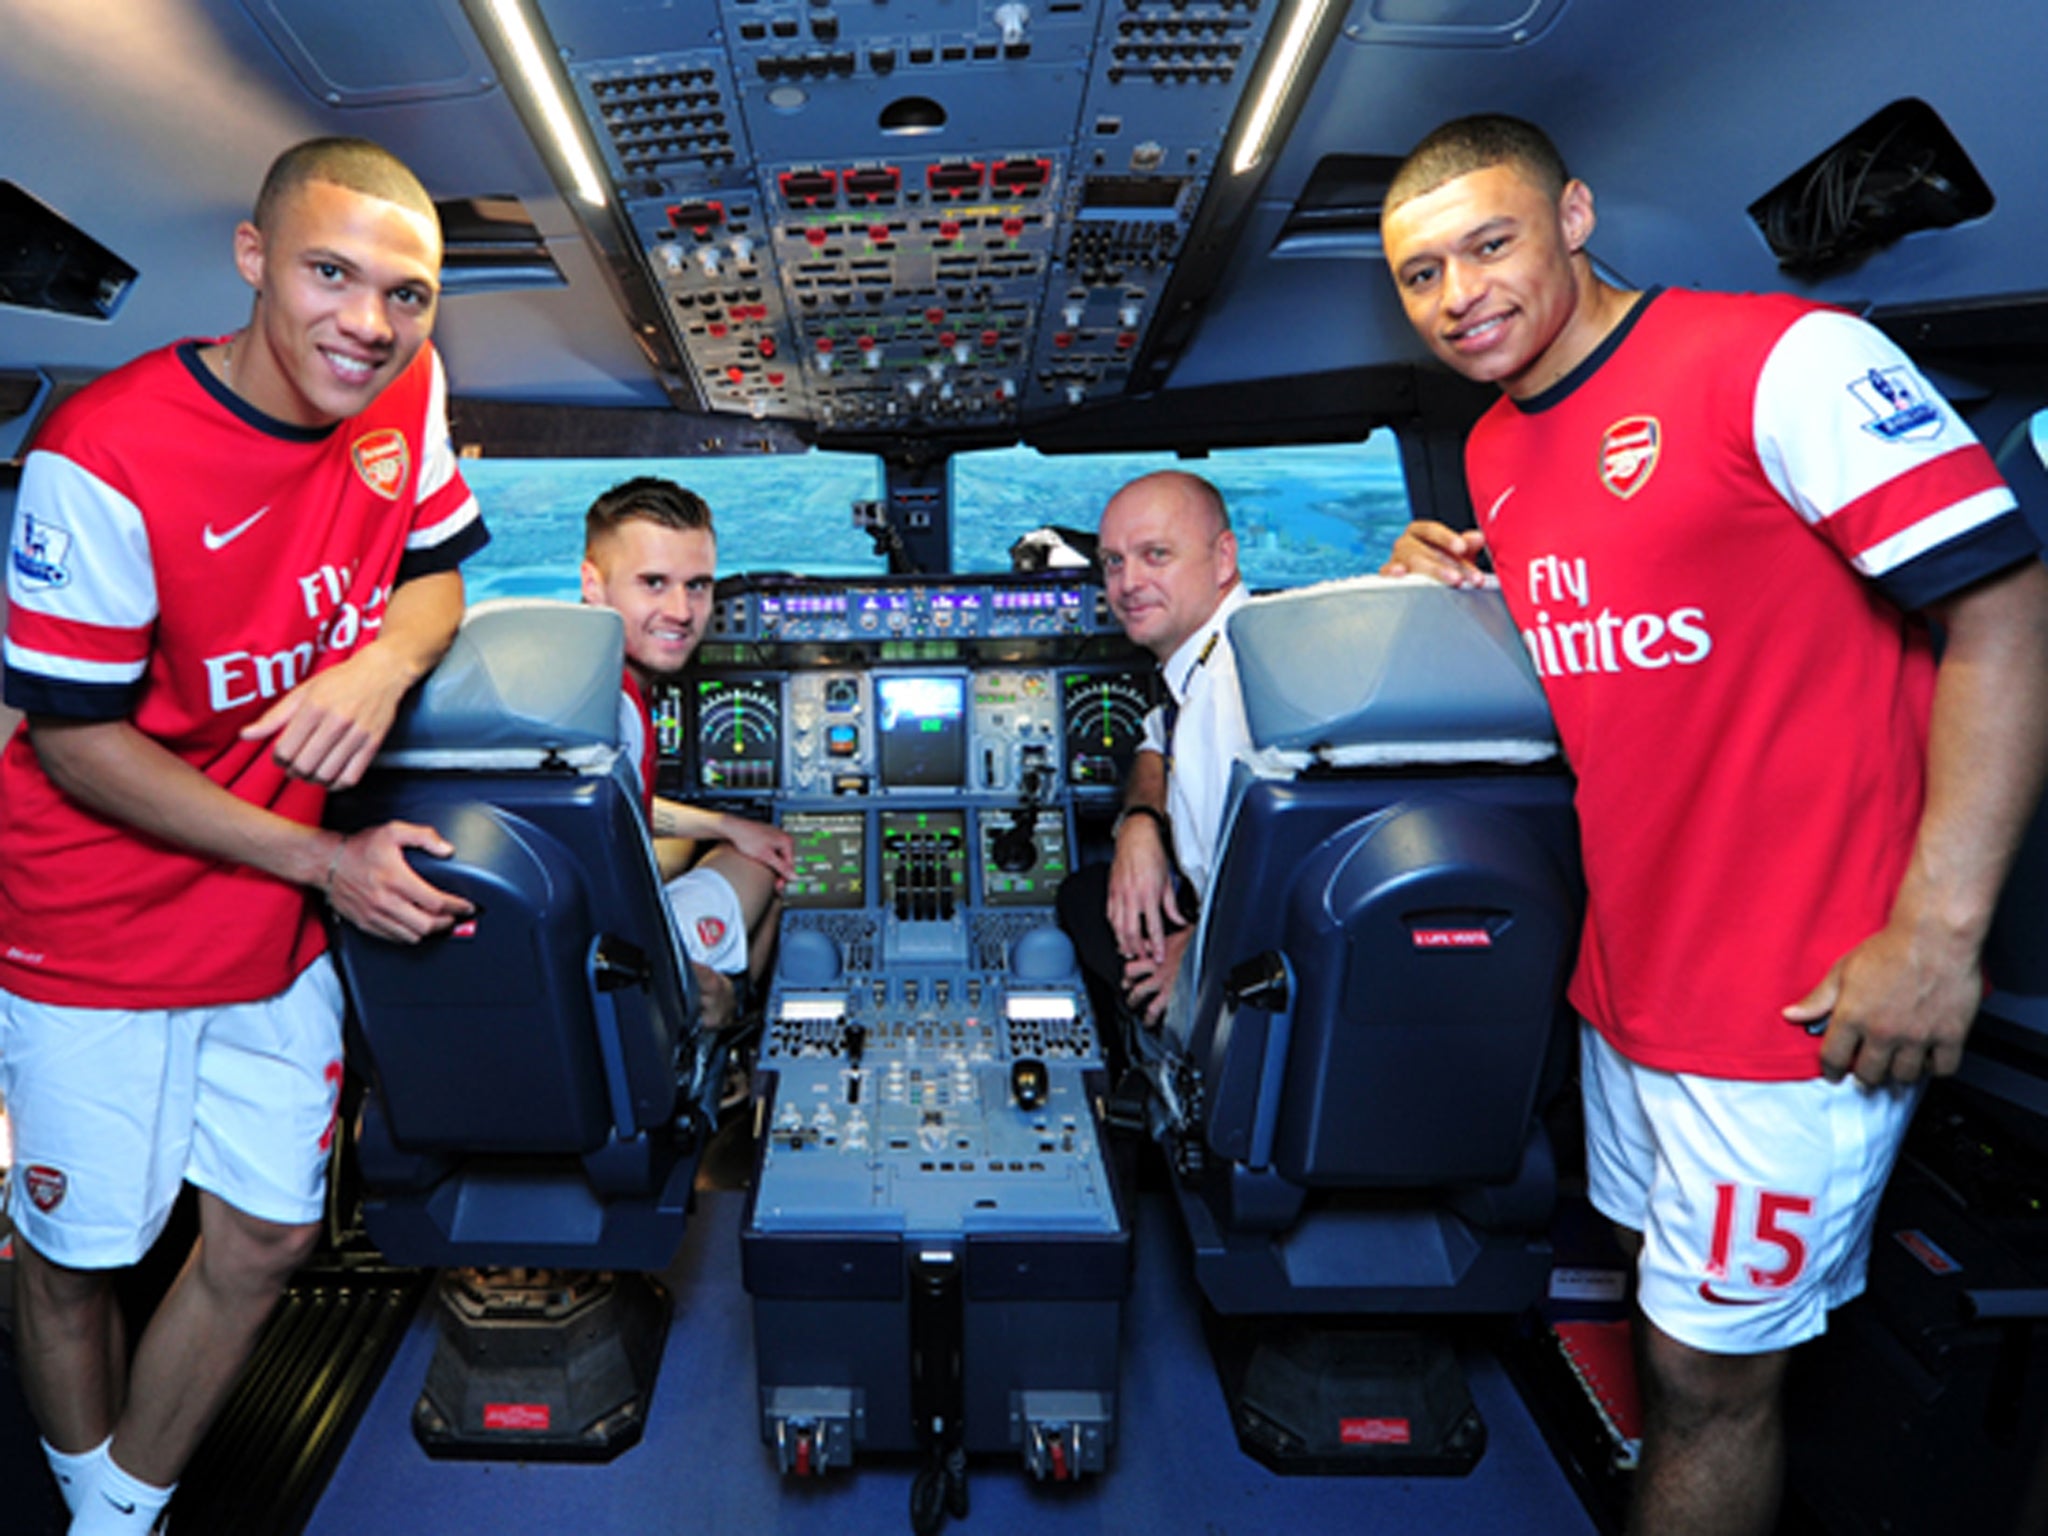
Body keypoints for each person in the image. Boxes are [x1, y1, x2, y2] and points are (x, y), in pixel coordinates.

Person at [1377, 114, 2048, 1536]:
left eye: (1489, 244)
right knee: (1650, 1299)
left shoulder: (1781, 362)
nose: (1459, 297)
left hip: (1791, 1004)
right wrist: (1443, 590)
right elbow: (1643, 644)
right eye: (1421, 275)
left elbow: (2005, 609)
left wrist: (1936, 933)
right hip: (1630, 989)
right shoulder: (1498, 448)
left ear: (1573, 215)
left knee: (1706, 1384)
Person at [0, 137, 490, 1535]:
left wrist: (379, 665)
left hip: (268, 914)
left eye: (409, 292)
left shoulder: (410, 388)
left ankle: (117, 1509)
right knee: (79, 1254)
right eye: (332, 274)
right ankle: (104, 1509)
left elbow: (438, 577)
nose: (371, 323)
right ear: (253, 257)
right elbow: (80, 747)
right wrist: (331, 861)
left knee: (271, 1236)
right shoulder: (102, 457)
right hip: (96, 924)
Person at [579, 476, 794, 1028]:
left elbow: (609, 812)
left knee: (727, 843)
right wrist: (688, 987)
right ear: (594, 584)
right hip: (610, 969)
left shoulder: (567, 680)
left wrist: (723, 824)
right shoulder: (612, 707)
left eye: (698, 586)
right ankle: (731, 1034)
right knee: (767, 863)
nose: (681, 610)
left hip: (557, 946)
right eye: (653, 583)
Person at [1056, 470, 1250, 1032]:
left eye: (1155, 555)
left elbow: (1286, 870)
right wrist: (1141, 821)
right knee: (1086, 891)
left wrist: (1197, 955)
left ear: (1223, 558)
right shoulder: (1214, 657)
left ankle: (1155, 1083)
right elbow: (1156, 735)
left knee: (1081, 903)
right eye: (1114, 561)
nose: (1127, 584)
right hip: (1230, 916)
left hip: (1241, 949)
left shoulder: (1232, 692)